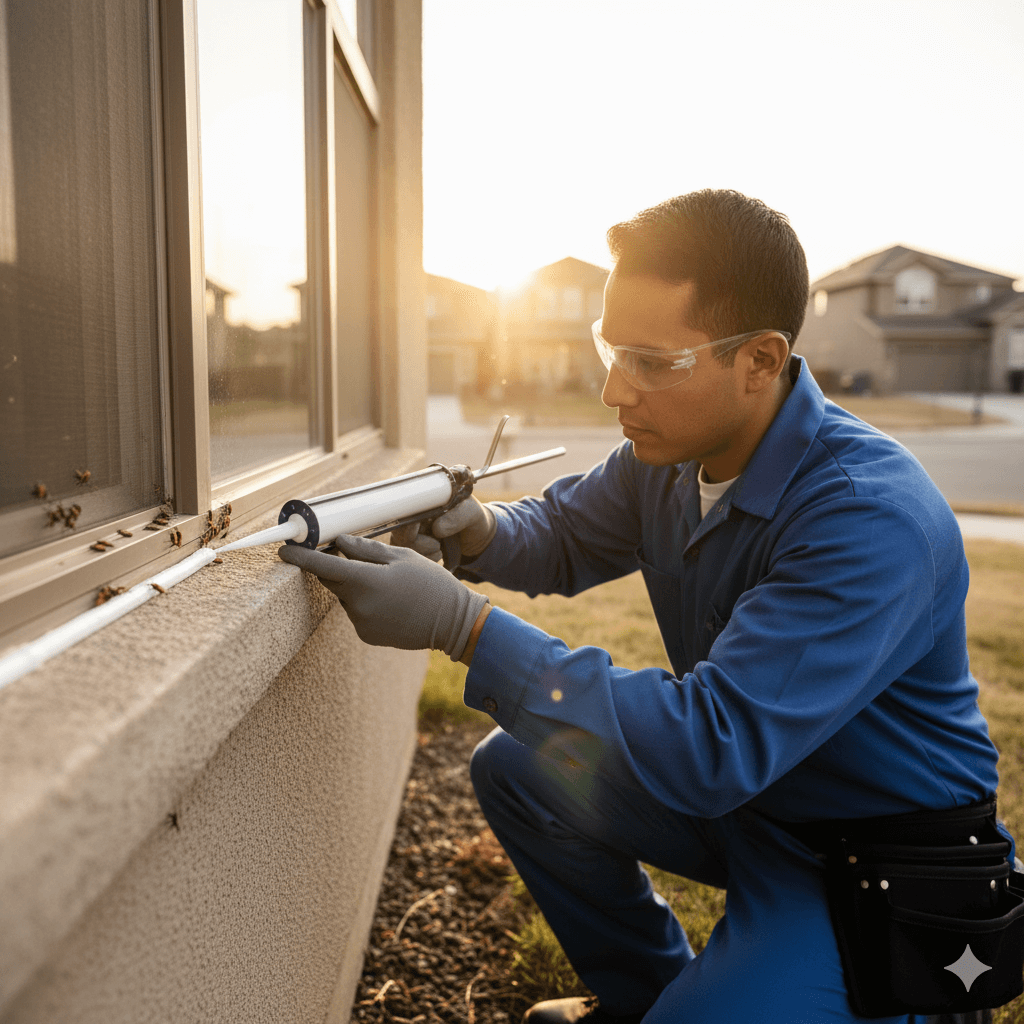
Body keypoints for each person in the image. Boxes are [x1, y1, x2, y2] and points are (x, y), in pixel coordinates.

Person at [279, 190, 1018, 1024]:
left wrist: (463, 625)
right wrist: (479, 528)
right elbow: (562, 531)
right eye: (609, 347)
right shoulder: (669, 455)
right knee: (518, 767)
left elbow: (709, 744)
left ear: (761, 361)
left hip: (872, 858)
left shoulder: (868, 518)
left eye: (651, 361)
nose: (611, 390)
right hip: (756, 808)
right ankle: (647, 996)